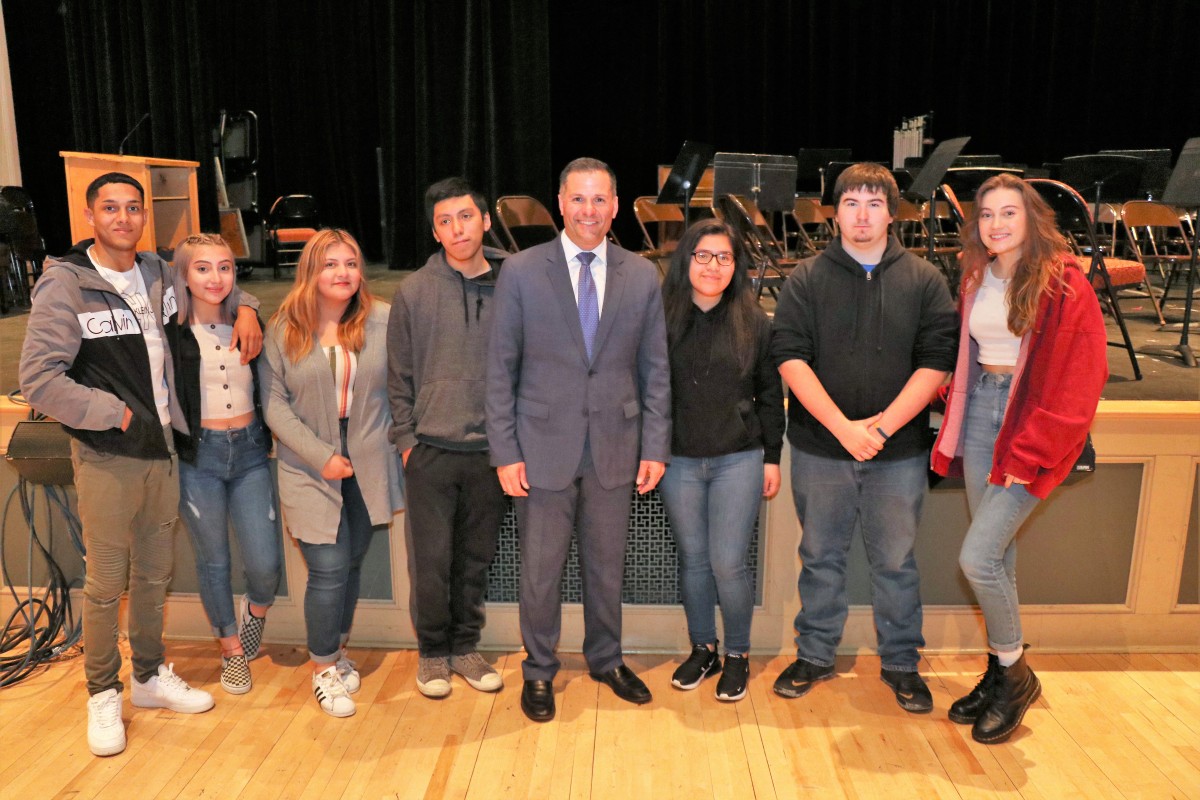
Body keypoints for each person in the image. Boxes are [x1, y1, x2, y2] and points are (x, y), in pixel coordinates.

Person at [19, 172, 262, 756]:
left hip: (163, 452)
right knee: (107, 583)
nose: (123, 217)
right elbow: (38, 378)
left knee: (154, 574)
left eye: (133, 207)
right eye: (111, 208)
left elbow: (216, 283)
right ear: (91, 216)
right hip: (108, 454)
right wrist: (113, 413)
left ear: (144, 215)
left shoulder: (156, 273)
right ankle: (102, 693)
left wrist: (248, 306)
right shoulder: (67, 285)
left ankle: (149, 677)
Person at [486, 157, 671, 722]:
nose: (590, 210)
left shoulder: (642, 275)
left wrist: (655, 447)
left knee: (606, 567)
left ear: (615, 206)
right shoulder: (520, 271)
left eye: (600, 200)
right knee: (540, 572)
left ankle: (606, 658)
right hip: (540, 449)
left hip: (617, 446)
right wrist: (505, 451)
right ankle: (539, 670)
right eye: (579, 199)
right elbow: (499, 368)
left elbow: (655, 369)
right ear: (561, 203)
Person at [770, 163, 957, 712]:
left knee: (895, 561)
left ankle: (901, 662)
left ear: (892, 214)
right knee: (821, 556)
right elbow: (789, 357)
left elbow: (937, 361)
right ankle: (816, 655)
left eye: (874, 204)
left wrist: (876, 429)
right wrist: (845, 430)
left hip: (897, 452)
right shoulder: (805, 277)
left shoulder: (924, 280)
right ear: (835, 212)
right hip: (821, 447)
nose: (862, 215)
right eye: (851, 203)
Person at [932, 174, 1106, 743]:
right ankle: (997, 672)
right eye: (987, 214)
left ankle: (1016, 676)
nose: (997, 224)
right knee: (999, 559)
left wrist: (1031, 449)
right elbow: (970, 350)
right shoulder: (976, 273)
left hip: (1028, 423)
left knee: (978, 558)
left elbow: (1080, 381)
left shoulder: (1063, 284)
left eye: (1009, 213)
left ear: (1032, 219)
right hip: (984, 407)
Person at [260, 229, 403, 718]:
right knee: (328, 567)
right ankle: (322, 669)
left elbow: (401, 387)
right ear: (311, 272)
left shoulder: (383, 319)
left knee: (354, 560)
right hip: (307, 462)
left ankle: (338, 651)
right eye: (330, 264)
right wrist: (320, 455)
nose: (343, 273)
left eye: (351, 263)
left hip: (370, 457)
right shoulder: (283, 328)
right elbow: (273, 406)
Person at [388, 177, 507, 698]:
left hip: (492, 453)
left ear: (484, 220)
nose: (457, 228)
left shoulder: (515, 282)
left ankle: (465, 647)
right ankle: (433, 654)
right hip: (431, 451)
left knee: (475, 559)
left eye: (465, 216)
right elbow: (399, 377)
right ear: (435, 232)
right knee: (431, 562)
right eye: (444, 221)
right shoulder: (414, 291)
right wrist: (409, 442)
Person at [658, 219, 784, 702]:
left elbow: (771, 395)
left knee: (728, 563)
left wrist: (771, 457)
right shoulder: (660, 317)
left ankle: (737, 653)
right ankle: (702, 648)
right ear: (686, 260)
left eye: (725, 258)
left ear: (737, 266)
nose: (714, 266)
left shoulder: (755, 322)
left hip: (740, 458)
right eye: (703, 256)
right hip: (678, 461)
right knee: (693, 561)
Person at [171, 233, 281, 696]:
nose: (215, 277)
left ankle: (255, 611)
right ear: (183, 274)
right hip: (200, 457)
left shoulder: (249, 322)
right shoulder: (170, 332)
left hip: (252, 451)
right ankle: (231, 650)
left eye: (225, 267)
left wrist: (250, 307)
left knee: (265, 564)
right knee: (213, 561)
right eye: (202, 268)